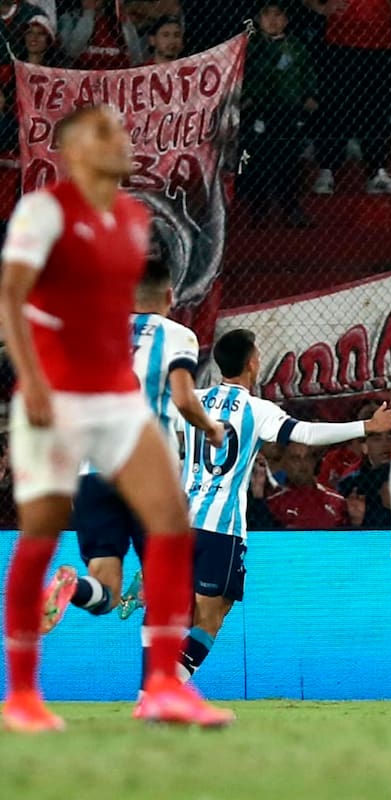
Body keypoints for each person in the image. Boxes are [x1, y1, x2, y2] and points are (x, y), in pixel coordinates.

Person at [0, 105, 231, 731]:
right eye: (103, 131)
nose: (121, 138)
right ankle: (21, 693)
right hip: (55, 396)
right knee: (39, 533)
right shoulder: (44, 214)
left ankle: (160, 686)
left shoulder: (131, 221)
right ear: (73, 149)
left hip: (114, 404)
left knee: (172, 521)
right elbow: (11, 300)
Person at [176, 328, 391, 682]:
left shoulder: (192, 399)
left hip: (181, 521)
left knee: (205, 610)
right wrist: (367, 425)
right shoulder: (258, 410)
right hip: (220, 527)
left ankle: (155, 601)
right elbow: (306, 434)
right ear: (253, 363)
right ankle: (160, 690)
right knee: (210, 617)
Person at [40, 257, 224, 634]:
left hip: (92, 472)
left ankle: (75, 587)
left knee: (105, 591)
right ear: (171, 295)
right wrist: (211, 428)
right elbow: (185, 398)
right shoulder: (177, 335)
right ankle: (157, 689)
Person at [304, 0, 391, 196]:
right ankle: (327, 169)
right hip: (340, 42)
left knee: (378, 109)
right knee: (335, 108)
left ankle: (376, 170)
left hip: (380, 42)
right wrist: (320, 7)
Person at [240, 1, 319, 228]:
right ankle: (259, 211)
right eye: (267, 15)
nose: (273, 20)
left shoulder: (295, 46)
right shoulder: (251, 46)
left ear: (286, 20)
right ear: (258, 19)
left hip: (288, 110)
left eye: (278, 15)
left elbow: (307, 71)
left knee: (289, 161)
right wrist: (248, 96)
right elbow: (244, 76)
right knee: (258, 161)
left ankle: (290, 208)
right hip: (259, 110)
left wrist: (309, 94)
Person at [338, 406, 391, 528]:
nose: (385, 445)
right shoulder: (350, 485)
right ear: (364, 446)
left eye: (390, 437)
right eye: (377, 439)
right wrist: (356, 521)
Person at [266, 442, 348, 528]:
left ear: (314, 462)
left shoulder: (337, 501)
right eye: (296, 458)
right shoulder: (275, 504)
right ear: (284, 463)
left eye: (307, 457)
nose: (303, 463)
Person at [60, 0, 143, 69]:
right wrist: (88, 13)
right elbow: (72, 51)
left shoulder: (117, 21)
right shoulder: (69, 18)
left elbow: (136, 58)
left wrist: (126, 23)